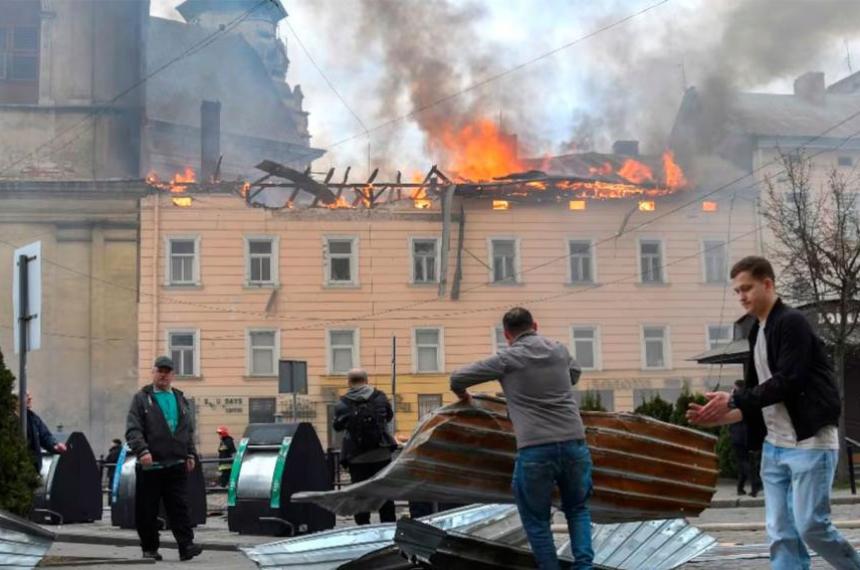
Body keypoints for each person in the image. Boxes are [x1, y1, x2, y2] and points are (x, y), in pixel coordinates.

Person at [687, 256, 860, 570]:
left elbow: (788, 382)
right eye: (737, 291)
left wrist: (735, 399)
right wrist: (724, 415)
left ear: (767, 284)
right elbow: (762, 397)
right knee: (781, 533)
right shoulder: (757, 331)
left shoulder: (791, 322)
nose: (741, 297)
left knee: (811, 527)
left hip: (810, 443)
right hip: (775, 447)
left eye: (747, 288)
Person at [450, 307, 593, 570]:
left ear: (506, 334)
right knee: (577, 510)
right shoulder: (559, 350)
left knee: (537, 520)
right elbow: (574, 373)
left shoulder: (507, 359)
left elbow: (457, 378)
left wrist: (464, 397)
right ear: (535, 325)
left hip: (535, 449)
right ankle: (584, 567)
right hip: (575, 442)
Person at [126, 356, 202, 562]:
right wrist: (142, 451)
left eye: (167, 371)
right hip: (151, 465)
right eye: (160, 370)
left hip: (176, 463)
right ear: (153, 372)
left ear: (172, 375)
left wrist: (190, 453)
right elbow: (133, 429)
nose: (163, 375)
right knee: (147, 510)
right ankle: (149, 548)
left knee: (179, 507)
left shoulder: (180, 399)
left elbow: (187, 430)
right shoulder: (142, 398)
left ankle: (186, 546)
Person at [332, 368, 397, 525]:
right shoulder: (380, 397)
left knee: (360, 494)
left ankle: (363, 528)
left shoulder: (342, 403)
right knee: (384, 492)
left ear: (349, 382)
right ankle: (388, 526)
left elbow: (337, 427)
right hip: (381, 453)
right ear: (366, 380)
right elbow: (389, 416)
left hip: (357, 456)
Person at [18, 392, 66, 473]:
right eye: (26, 395)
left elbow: (45, 436)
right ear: (14, 400)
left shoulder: (32, 418)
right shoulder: (8, 417)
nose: (30, 398)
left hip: (31, 469)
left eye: (29, 395)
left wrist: (54, 445)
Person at [729, 380, 762, 497]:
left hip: (738, 436)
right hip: (747, 435)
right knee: (744, 462)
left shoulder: (737, 401)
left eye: (733, 388)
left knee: (743, 462)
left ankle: (755, 483)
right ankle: (740, 487)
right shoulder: (748, 399)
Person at [105, 438, 123, 503]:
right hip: (119, 472)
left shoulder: (114, 451)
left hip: (113, 473)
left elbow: (108, 460)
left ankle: (112, 503)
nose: (110, 444)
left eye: (112, 443)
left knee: (112, 488)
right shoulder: (122, 451)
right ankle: (116, 502)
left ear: (115, 443)